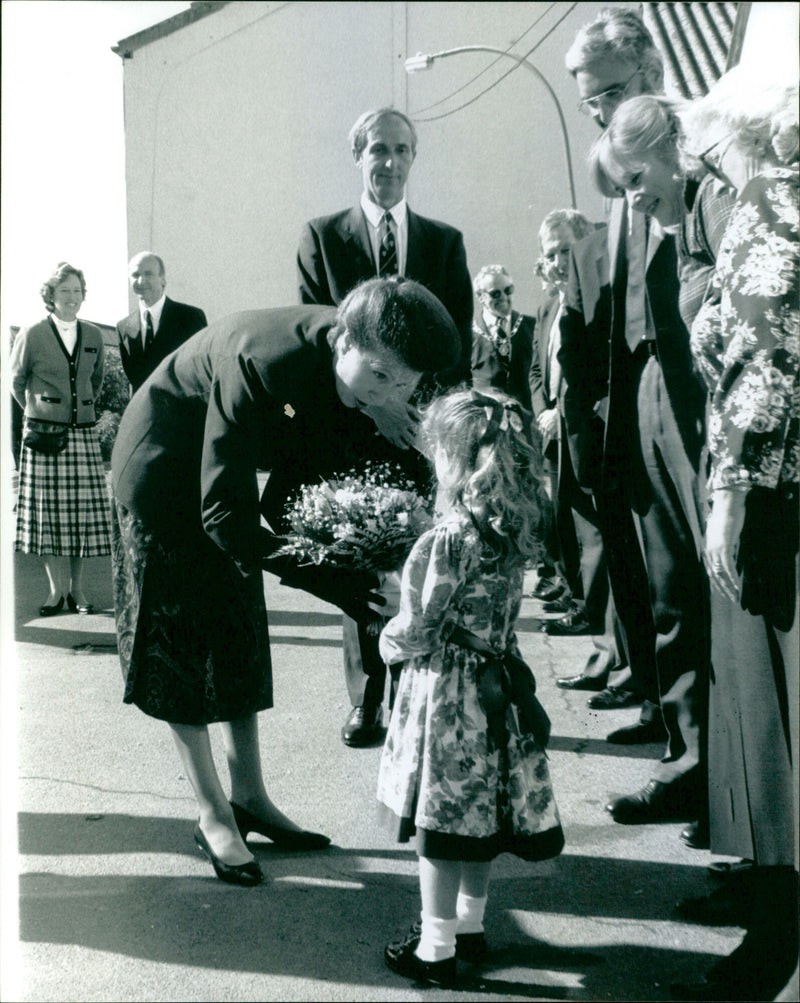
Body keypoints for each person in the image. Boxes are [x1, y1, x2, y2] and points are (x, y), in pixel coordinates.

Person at [110, 276, 461, 886]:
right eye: (379, 377)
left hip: (226, 468)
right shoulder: (264, 360)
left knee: (238, 629)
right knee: (181, 648)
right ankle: (213, 812)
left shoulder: (368, 359)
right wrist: (347, 586)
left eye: (404, 384)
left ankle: (250, 798)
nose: (391, 393)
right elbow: (225, 517)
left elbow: (294, 488)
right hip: (163, 469)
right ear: (342, 340)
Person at [668, 70, 799, 1003]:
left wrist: (733, 488)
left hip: (774, 494)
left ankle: (778, 947)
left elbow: (764, 351)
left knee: (781, 720)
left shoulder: (766, 201)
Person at [563, 6, 709, 822]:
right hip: (642, 394)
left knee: (708, 581)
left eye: (610, 92)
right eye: (588, 100)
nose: (600, 110)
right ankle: (687, 754)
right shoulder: (619, 166)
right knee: (669, 585)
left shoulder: (686, 149)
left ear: (651, 73)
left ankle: (722, 776)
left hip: (688, 388)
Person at [297, 107, 474, 747]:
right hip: (352, 428)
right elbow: (323, 337)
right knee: (359, 561)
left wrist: (429, 424)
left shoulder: (444, 243)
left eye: (402, 149)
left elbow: (455, 350)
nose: (390, 162)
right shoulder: (321, 238)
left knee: (421, 560)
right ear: (358, 156)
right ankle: (368, 698)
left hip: (421, 434)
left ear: (413, 158)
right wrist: (377, 405)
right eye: (378, 149)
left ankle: (416, 695)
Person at [377, 387, 563, 987]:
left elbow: (421, 625)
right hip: (498, 684)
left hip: (450, 694)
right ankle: (471, 924)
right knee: (478, 818)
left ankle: (436, 950)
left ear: (453, 458)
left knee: (440, 822)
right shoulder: (511, 525)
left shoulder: (450, 537)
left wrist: (386, 641)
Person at [530, 209, 639, 711]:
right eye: (548, 253)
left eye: (561, 251)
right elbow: (543, 369)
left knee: (608, 551)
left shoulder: (598, 281)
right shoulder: (550, 305)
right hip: (565, 436)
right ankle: (604, 652)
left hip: (592, 431)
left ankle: (623, 662)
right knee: (588, 553)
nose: (554, 261)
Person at [11, 262, 111, 616]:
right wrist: (41, 412)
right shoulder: (32, 333)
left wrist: (77, 408)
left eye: (77, 291)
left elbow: (95, 382)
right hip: (44, 437)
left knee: (82, 517)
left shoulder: (95, 335)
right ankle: (56, 593)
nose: (72, 297)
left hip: (83, 435)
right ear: (50, 296)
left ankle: (78, 592)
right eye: (64, 291)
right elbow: (16, 383)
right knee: (49, 517)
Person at [116, 251, 207, 393]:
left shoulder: (190, 317)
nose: (141, 281)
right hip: (144, 412)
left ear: (163, 280)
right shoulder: (123, 327)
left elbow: (202, 371)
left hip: (182, 411)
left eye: (148, 274)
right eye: (135, 275)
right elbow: (134, 380)